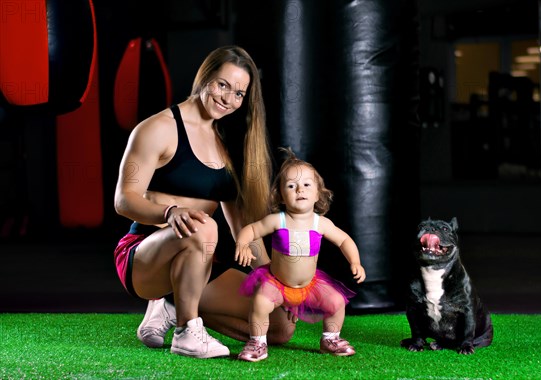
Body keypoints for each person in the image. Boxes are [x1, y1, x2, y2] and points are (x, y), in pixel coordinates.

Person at [112, 45, 295, 359]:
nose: (228, 98)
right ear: (205, 78)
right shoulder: (158, 129)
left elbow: (243, 233)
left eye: (239, 93)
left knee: (278, 324)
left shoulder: (225, 144)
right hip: (144, 256)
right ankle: (186, 332)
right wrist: (169, 212)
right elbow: (123, 199)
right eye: (223, 85)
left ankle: (172, 304)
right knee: (204, 226)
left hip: (198, 261)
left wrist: (274, 281)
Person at [234, 147, 367, 362]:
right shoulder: (279, 220)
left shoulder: (320, 223)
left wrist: (355, 262)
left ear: (317, 193)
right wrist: (242, 243)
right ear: (281, 195)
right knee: (260, 302)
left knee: (336, 301)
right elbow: (252, 229)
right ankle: (257, 341)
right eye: (291, 186)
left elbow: (344, 240)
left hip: (310, 285)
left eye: (306, 185)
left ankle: (330, 339)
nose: (299, 190)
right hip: (277, 283)